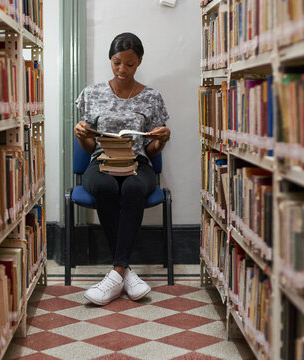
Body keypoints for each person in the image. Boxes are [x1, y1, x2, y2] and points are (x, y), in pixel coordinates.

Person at [74, 32, 171, 306]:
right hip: (101, 160)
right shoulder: (91, 93)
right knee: (103, 187)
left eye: (129, 64)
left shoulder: (152, 97)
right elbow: (88, 146)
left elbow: (151, 151)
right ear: (110, 60)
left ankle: (115, 274)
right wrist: (82, 135)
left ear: (139, 62)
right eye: (117, 63)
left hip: (137, 162)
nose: (122, 70)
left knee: (133, 188)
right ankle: (125, 273)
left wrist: (160, 141)